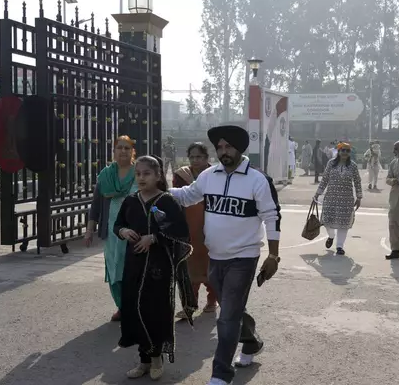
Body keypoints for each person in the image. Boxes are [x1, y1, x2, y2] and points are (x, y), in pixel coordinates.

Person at [169, 125, 281, 385]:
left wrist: (273, 256)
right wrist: (159, 189)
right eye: (219, 147)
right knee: (232, 309)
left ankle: (221, 373)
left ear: (240, 148)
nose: (223, 151)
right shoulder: (209, 175)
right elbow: (187, 196)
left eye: (228, 146)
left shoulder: (257, 179)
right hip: (215, 255)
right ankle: (251, 342)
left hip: (244, 257)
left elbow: (271, 217)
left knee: (227, 315)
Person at [114, 155, 196, 381]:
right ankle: (143, 360)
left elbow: (181, 231)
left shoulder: (167, 201)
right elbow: (118, 224)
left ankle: (157, 357)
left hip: (158, 267)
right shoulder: (130, 201)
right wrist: (123, 232)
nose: (141, 177)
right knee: (134, 308)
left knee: (155, 310)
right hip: (134, 264)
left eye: (146, 173)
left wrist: (155, 237)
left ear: (158, 176)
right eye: (138, 173)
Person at [85, 135, 137, 322]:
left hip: (135, 232)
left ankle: (135, 307)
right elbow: (96, 205)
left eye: (127, 148)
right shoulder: (106, 175)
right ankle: (122, 307)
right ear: (113, 151)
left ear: (133, 152)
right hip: (112, 232)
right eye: (119, 147)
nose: (123, 151)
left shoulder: (140, 172)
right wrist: (89, 230)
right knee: (115, 270)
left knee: (132, 270)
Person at [173, 142, 218, 318]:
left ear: (207, 158)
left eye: (199, 157)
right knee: (189, 265)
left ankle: (212, 300)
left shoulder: (215, 175)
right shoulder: (181, 174)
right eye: (192, 157)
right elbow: (177, 198)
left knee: (210, 265)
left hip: (211, 224)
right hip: (189, 225)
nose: (195, 160)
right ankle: (189, 306)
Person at [313, 142, 362, 255]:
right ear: (338, 151)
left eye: (347, 151)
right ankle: (331, 236)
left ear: (349, 153)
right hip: (331, 198)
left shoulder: (353, 166)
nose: (344, 152)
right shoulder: (331, 164)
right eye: (342, 150)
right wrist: (317, 194)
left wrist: (359, 197)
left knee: (343, 223)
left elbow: (357, 182)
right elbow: (325, 180)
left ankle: (340, 246)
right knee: (327, 221)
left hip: (346, 199)